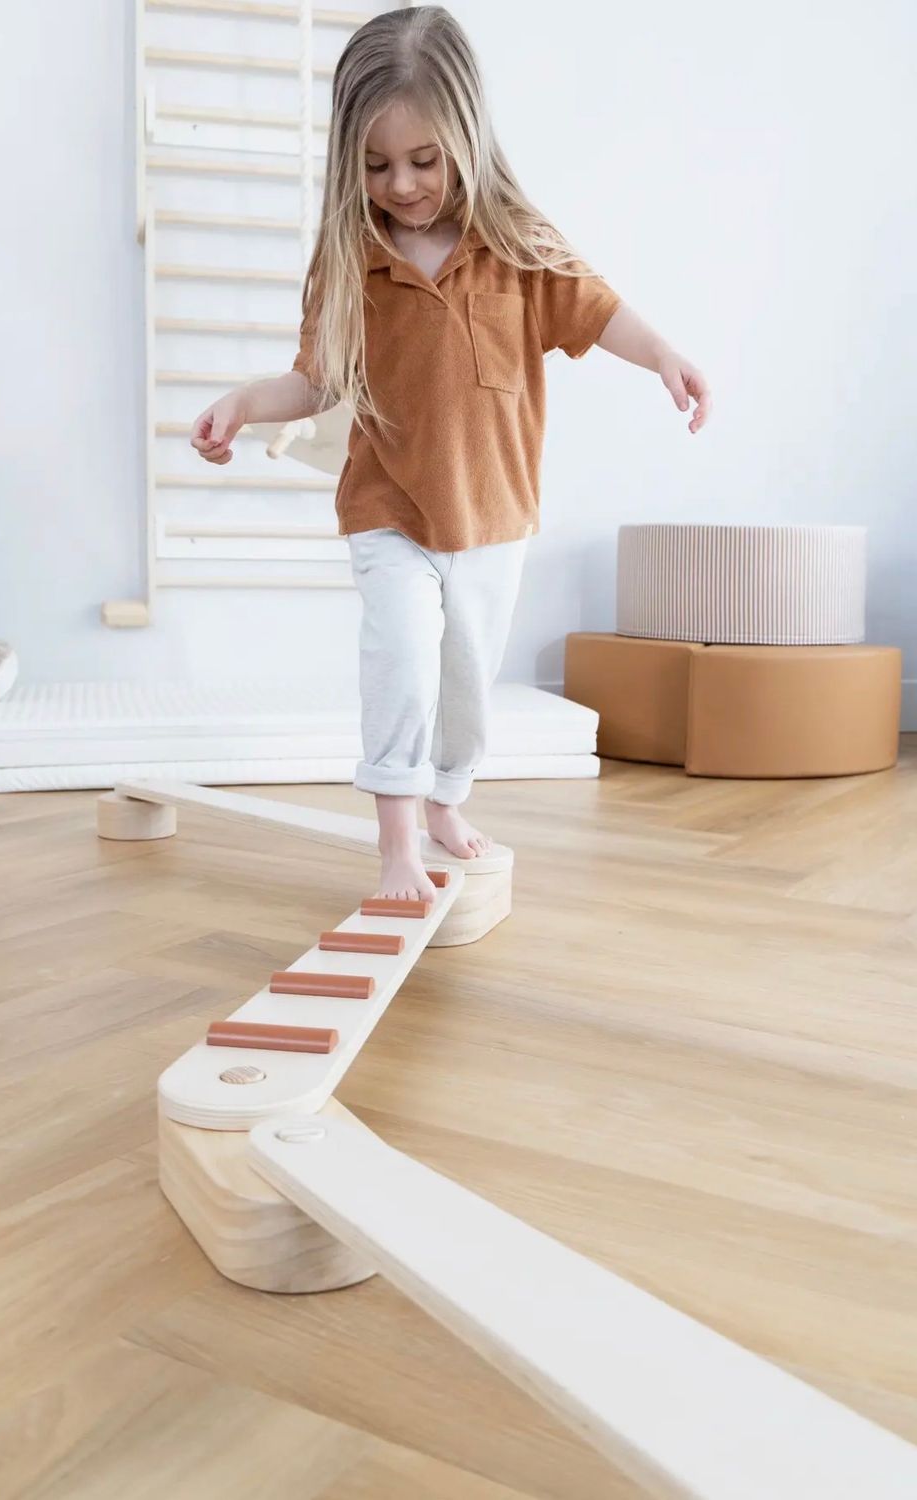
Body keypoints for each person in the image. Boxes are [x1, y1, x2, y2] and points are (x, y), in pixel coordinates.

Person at [191, 5, 711, 903]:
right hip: (388, 507)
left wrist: (663, 353)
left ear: (465, 137)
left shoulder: (516, 246)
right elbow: (316, 380)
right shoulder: (350, 257)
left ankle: (445, 799)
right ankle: (394, 843)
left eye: (423, 161)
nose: (400, 184)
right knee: (400, 660)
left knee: (467, 681)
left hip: (492, 514)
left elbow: (597, 310)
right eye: (376, 164)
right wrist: (242, 402)